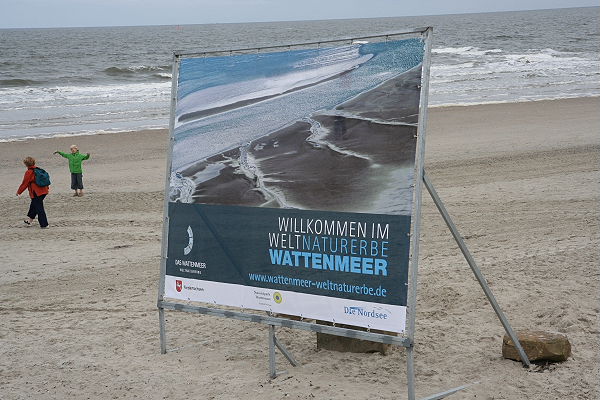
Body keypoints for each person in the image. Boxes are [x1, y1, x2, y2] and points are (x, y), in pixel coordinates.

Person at [16, 156, 50, 228]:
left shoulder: (29, 172)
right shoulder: (39, 169)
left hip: (36, 192)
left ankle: (44, 224)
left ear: (26, 164)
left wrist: (19, 192)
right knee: (34, 205)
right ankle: (29, 221)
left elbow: (24, 183)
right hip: (44, 191)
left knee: (39, 208)